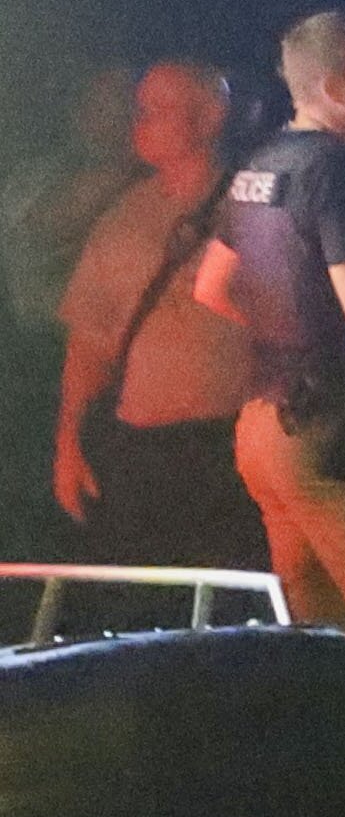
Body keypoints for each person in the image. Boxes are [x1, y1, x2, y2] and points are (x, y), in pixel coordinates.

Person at [195, 11, 345, 649]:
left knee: (316, 643)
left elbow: (212, 288)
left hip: (264, 428)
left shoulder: (260, 165)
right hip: (340, 436)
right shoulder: (339, 172)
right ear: (333, 88)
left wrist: (288, 338)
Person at [50, 61, 263, 570]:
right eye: (137, 110)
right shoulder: (122, 216)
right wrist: (69, 443)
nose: (138, 122)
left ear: (211, 115)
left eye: (155, 110)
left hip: (229, 443)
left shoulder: (256, 205)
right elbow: (89, 341)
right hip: (143, 452)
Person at [2, 65, 142, 332]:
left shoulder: (152, 183)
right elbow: (53, 220)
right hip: (47, 340)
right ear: (80, 113)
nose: (126, 115)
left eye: (132, 104)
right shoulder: (38, 176)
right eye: (111, 103)